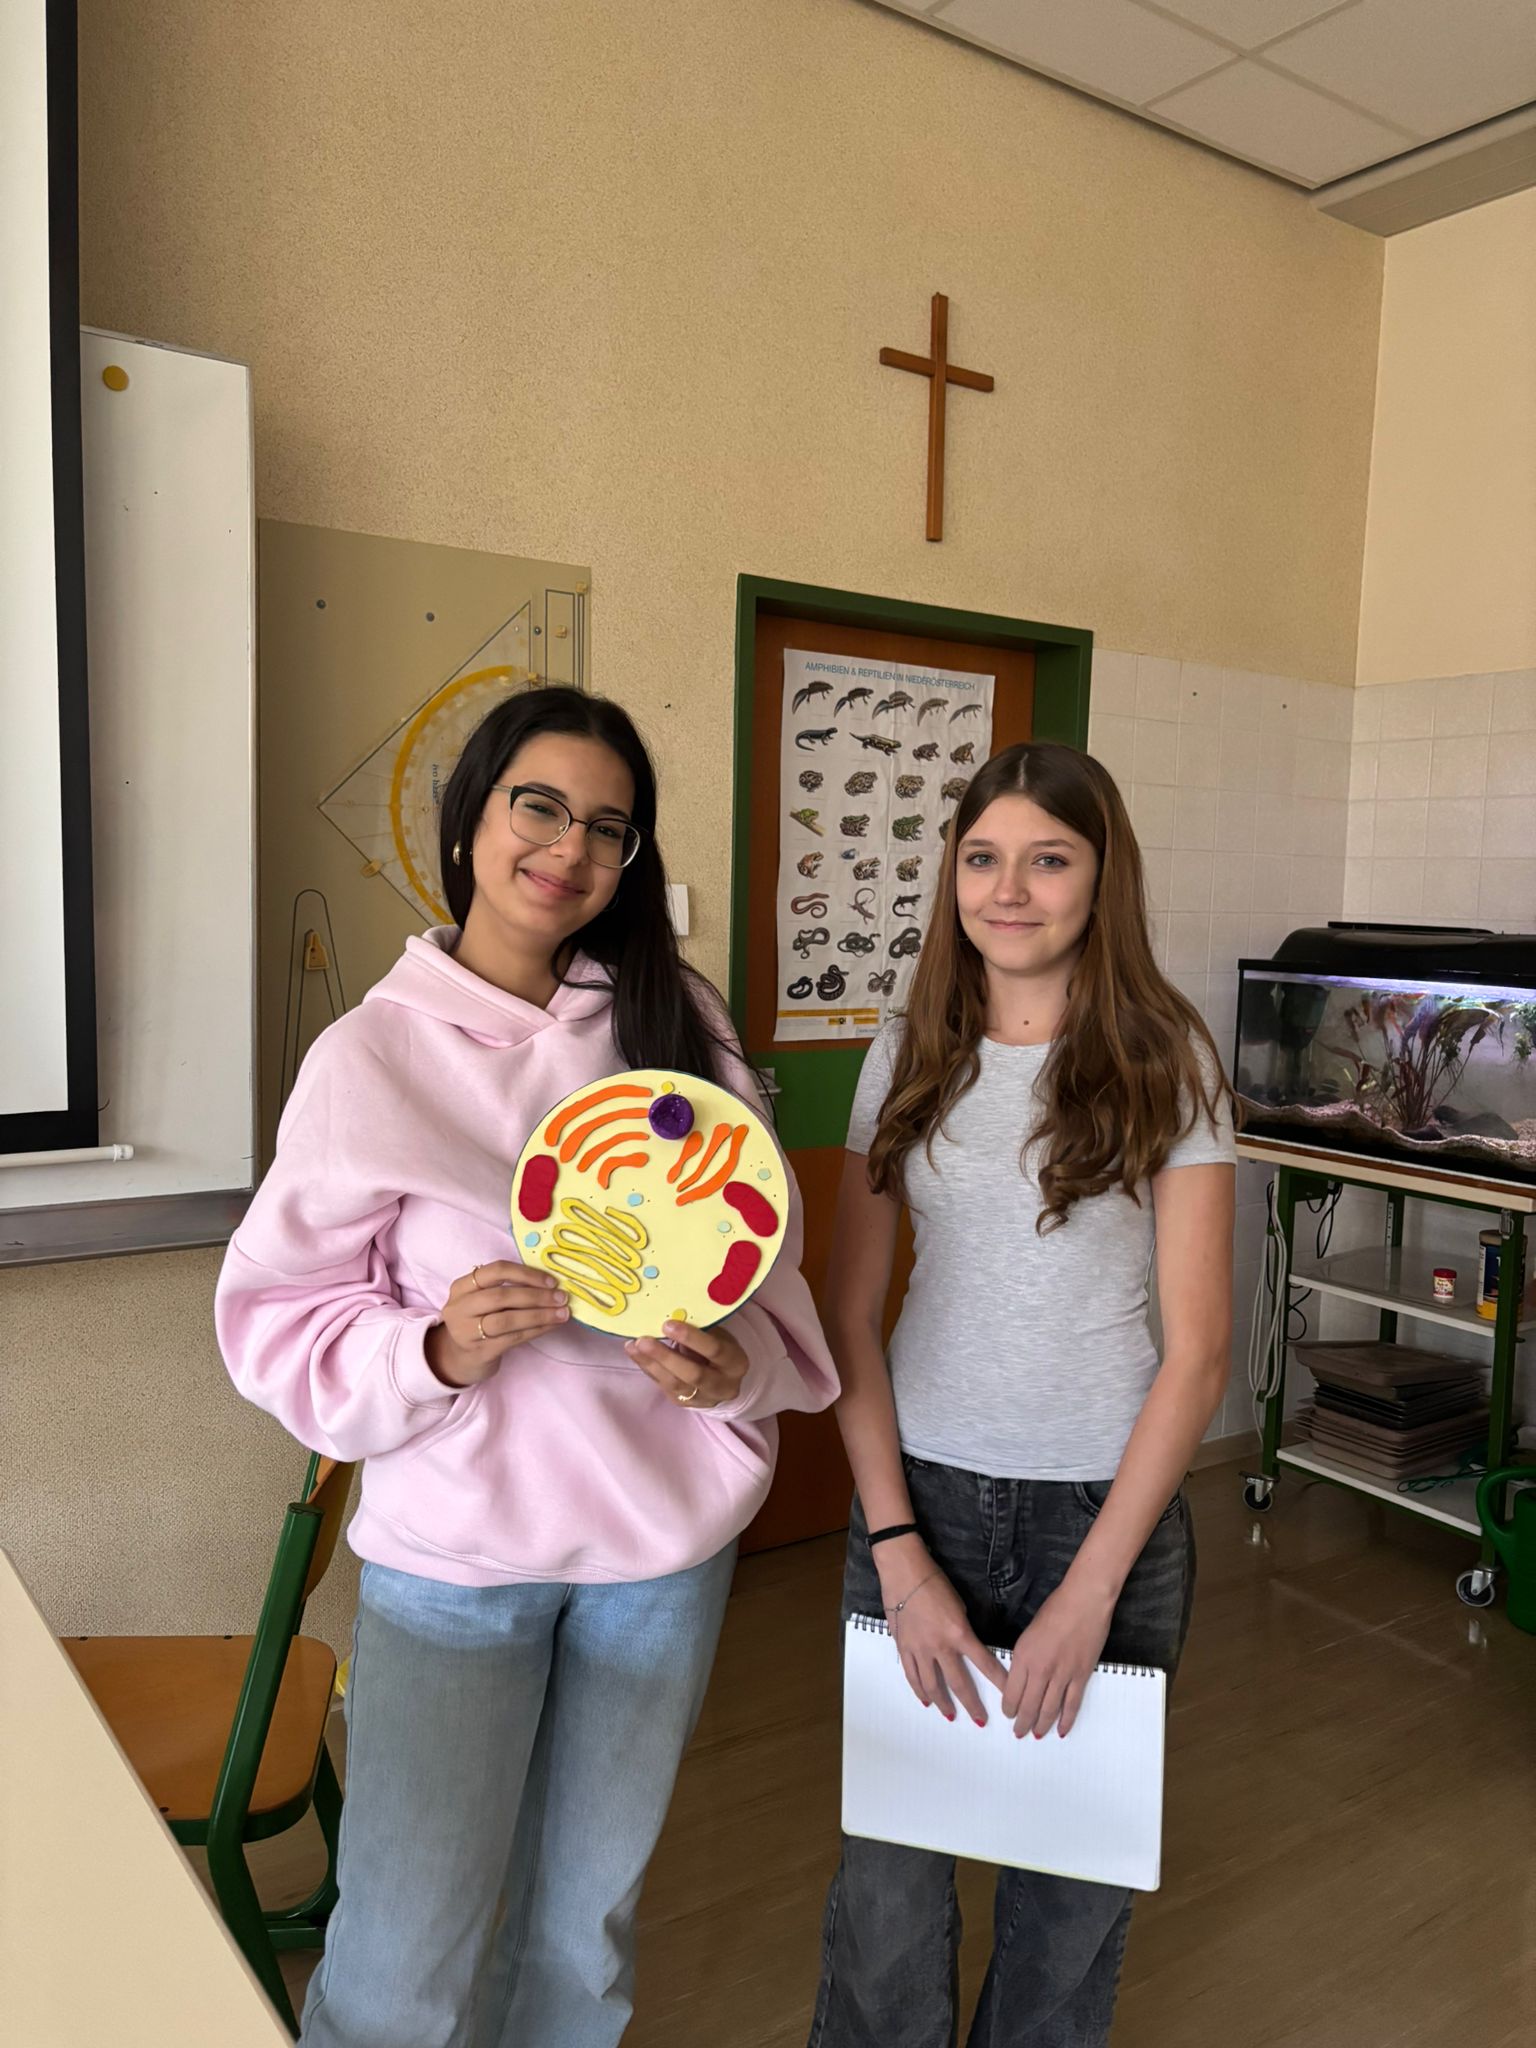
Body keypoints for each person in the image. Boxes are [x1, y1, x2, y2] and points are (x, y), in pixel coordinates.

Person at [216, 685, 836, 2048]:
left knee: (580, 1941)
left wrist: (730, 1372)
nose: (569, 848)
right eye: (538, 807)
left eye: (608, 827)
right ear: (469, 822)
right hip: (457, 1568)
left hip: (658, 1560)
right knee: (403, 1959)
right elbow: (278, 1317)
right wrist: (432, 1350)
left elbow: (764, 1267)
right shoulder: (371, 1057)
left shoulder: (677, 1025)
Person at [808, 740, 1235, 2048]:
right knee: (888, 1898)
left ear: (1102, 879)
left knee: (1066, 1908)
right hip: (919, 1502)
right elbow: (848, 1316)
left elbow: (1198, 1355)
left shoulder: (1168, 1056)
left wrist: (1092, 1592)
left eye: (1048, 859)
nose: (1009, 889)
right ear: (951, 874)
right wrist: (896, 1548)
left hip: (1103, 1521)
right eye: (983, 858)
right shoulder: (906, 1047)